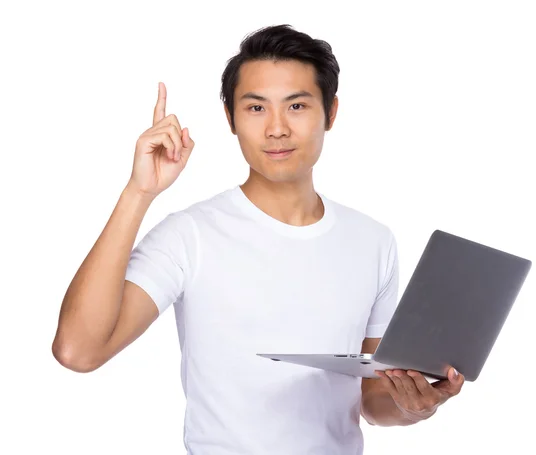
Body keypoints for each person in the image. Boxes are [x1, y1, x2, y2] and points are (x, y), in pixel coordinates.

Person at [52, 24, 464, 454]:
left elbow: (374, 400)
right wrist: (139, 192)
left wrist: (415, 406)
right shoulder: (190, 235)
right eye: (255, 108)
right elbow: (79, 351)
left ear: (331, 111)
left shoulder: (374, 241)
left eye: (297, 105)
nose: (277, 128)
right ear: (230, 118)